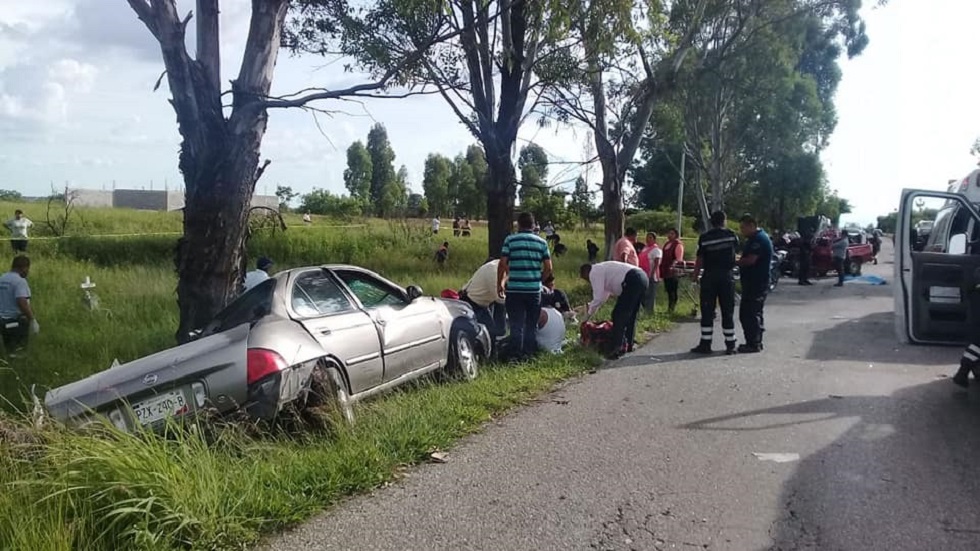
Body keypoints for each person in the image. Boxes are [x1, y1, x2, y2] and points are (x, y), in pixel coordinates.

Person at [498, 212, 553, 361]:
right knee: (531, 323)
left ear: (518, 224)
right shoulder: (542, 243)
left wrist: (500, 284)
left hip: (514, 289)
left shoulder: (510, 240)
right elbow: (548, 268)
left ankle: (515, 355)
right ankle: (529, 354)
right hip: (533, 290)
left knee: (516, 324)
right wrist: (539, 280)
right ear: (534, 225)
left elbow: (502, 263)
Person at [690, 211, 739, 355]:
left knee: (707, 311)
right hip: (727, 276)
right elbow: (734, 254)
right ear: (724, 220)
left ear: (711, 222)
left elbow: (700, 259)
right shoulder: (731, 235)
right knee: (727, 311)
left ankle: (705, 344)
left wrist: (695, 275)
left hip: (709, 277)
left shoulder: (704, 238)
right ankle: (730, 344)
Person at [580, 261, 648, 359]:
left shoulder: (594, 272)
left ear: (586, 272)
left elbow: (598, 298)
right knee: (631, 314)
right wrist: (591, 308)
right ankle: (628, 343)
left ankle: (617, 347)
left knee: (618, 315)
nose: (588, 281)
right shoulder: (603, 270)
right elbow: (602, 298)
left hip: (632, 279)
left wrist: (587, 317)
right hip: (642, 277)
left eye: (586, 278)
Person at [736, 215, 774, 353]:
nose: (742, 231)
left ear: (752, 225)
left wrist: (734, 262)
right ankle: (755, 341)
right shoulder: (756, 238)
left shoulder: (758, 240)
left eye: (743, 227)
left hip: (756, 282)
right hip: (754, 281)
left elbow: (751, 260)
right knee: (754, 312)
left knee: (749, 313)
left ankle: (753, 343)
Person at [460, 258, 507, 339]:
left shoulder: (500, 268)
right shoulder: (493, 270)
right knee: (487, 333)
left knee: (491, 332)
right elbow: (499, 298)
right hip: (471, 302)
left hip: (483, 303)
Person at [0, 256, 37, 355]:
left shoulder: (2, 278)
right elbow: (22, 302)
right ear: (24, 267)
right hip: (16, 322)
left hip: (2, 321)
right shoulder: (20, 281)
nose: (28, 271)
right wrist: (32, 319)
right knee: (19, 352)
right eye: (28, 268)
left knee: (10, 350)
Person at [660, 229, 685, 313]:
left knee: (673, 290)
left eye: (672, 233)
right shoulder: (667, 244)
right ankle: (669, 307)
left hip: (673, 270)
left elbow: (679, 259)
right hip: (665, 269)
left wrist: (673, 267)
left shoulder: (678, 245)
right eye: (669, 233)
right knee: (668, 289)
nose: (669, 235)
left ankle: (672, 308)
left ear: (676, 235)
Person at [638, 232, 663, 314]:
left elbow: (657, 262)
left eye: (650, 238)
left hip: (652, 275)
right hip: (643, 273)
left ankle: (649, 312)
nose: (648, 239)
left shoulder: (656, 250)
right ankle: (644, 310)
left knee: (650, 295)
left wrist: (651, 274)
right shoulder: (645, 248)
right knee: (643, 294)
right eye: (647, 237)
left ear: (654, 239)